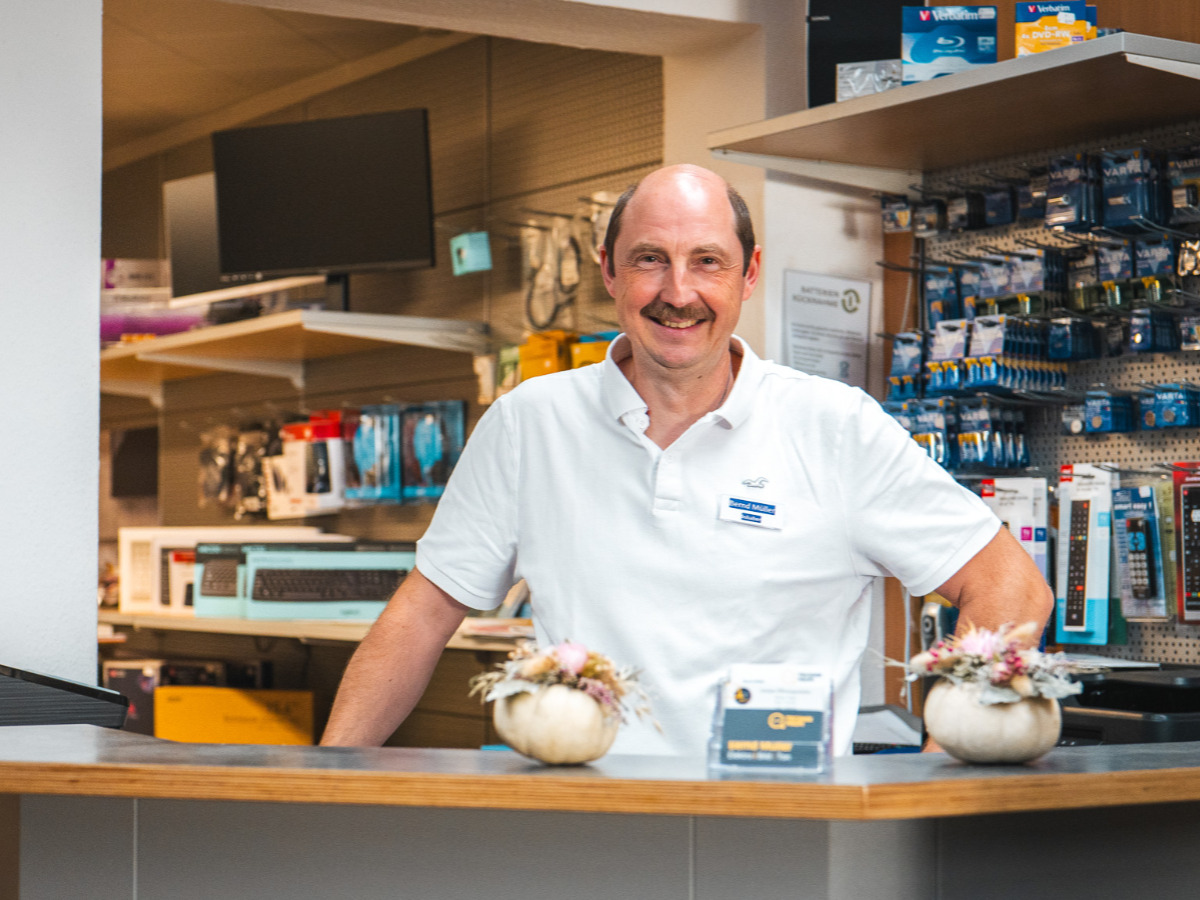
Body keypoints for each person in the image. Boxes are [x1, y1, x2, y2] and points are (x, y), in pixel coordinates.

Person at [320, 164, 1053, 756]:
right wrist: (323, 784)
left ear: (749, 273)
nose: (679, 293)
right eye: (650, 260)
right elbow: (423, 614)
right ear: (608, 271)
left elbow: (1010, 587)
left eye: (707, 262)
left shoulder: (834, 426)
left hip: (780, 837)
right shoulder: (528, 422)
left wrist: (940, 760)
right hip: (584, 830)